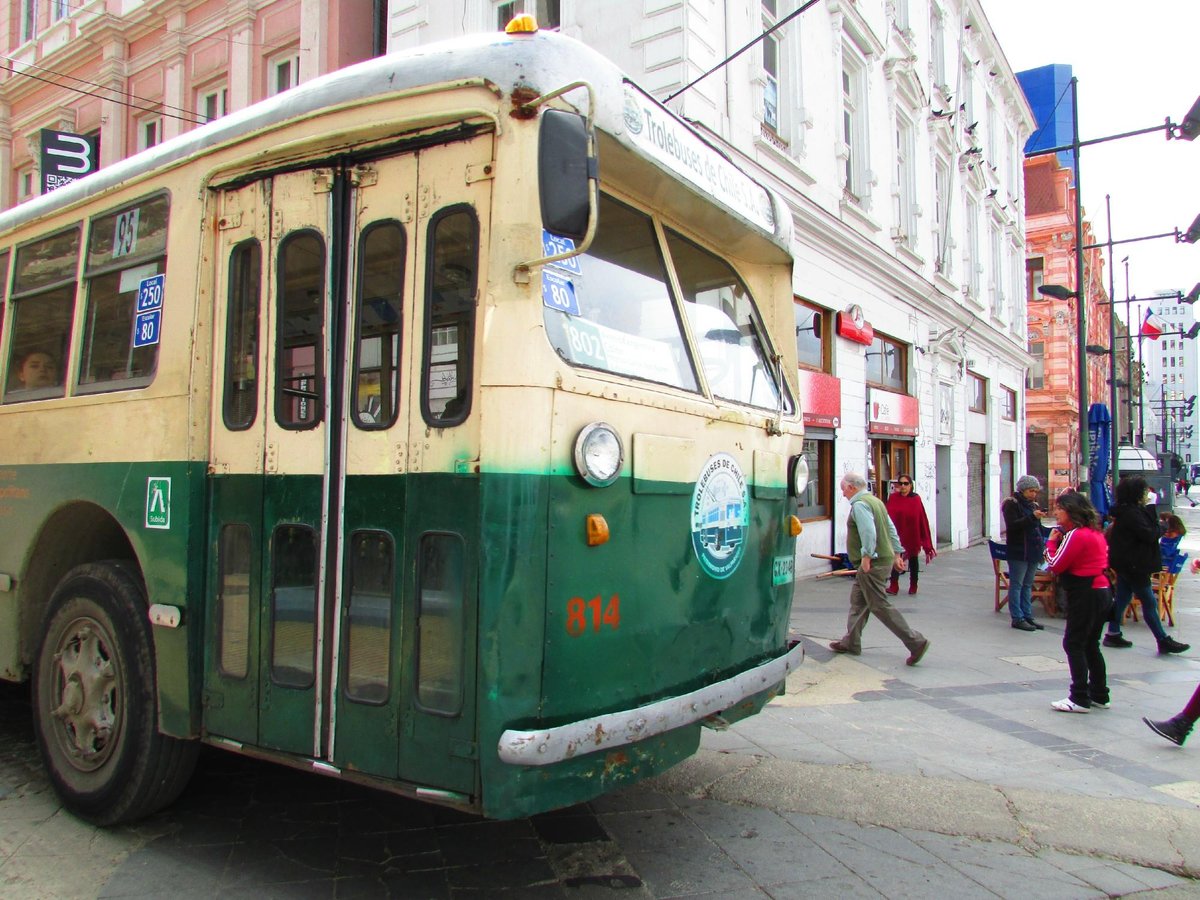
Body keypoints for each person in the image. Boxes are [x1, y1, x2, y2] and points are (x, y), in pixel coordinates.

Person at [829, 472, 930, 666]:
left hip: (872, 563)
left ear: (851, 487)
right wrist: (898, 552)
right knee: (858, 602)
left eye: (843, 489)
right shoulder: (876, 501)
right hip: (879, 560)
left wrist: (867, 556)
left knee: (879, 605)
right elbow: (890, 527)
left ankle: (915, 641)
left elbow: (869, 531)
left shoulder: (860, 505)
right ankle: (851, 641)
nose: (843, 494)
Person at [1102, 475, 1189, 654]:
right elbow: (1149, 533)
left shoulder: (1128, 511)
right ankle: (1163, 639)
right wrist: (1163, 526)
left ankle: (1113, 632)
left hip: (1127, 562)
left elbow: (1147, 526)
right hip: (1135, 563)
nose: (1146, 494)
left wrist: (1150, 508)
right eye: (1143, 491)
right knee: (1149, 602)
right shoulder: (1132, 513)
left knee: (1122, 598)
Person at [1044, 491, 1112, 713]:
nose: (1056, 513)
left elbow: (1056, 564)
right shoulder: (1096, 533)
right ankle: (1100, 693)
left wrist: (1051, 543)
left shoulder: (1077, 534)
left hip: (1085, 593)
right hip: (1102, 590)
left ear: (1071, 512)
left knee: (1073, 643)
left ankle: (1079, 697)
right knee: (1091, 643)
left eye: (1059, 509)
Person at [1001, 475, 1048, 632]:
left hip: (1033, 551)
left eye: (1035, 491)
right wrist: (1031, 517)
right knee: (1017, 584)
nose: (1033, 494)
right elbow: (1013, 526)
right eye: (1030, 491)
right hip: (1019, 551)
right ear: (1022, 489)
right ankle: (1017, 617)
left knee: (1028, 584)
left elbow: (1037, 527)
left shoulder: (1033, 505)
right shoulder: (1011, 504)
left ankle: (1028, 615)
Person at [885, 474, 936, 595]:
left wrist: (925, 540)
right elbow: (887, 515)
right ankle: (894, 585)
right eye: (900, 483)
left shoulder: (915, 499)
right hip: (897, 533)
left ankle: (913, 585)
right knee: (896, 558)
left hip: (912, 534)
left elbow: (921, 518)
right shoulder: (893, 498)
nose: (903, 486)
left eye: (905, 483)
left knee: (913, 559)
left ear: (911, 485)